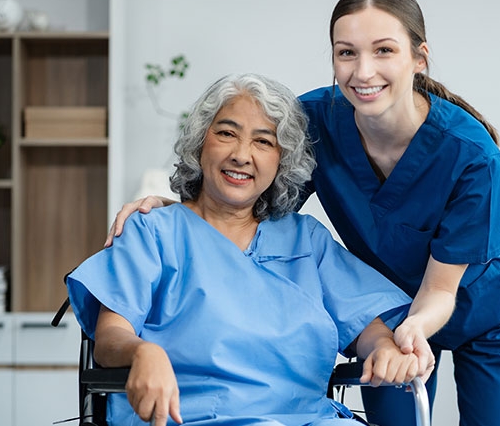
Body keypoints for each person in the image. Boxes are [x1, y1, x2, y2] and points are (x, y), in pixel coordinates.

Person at [107, 0, 500, 426]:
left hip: (487, 306)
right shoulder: (316, 120)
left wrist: (411, 328)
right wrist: (177, 211)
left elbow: (439, 290)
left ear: (419, 57)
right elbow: (249, 205)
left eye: (384, 51)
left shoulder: (470, 152)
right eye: (347, 52)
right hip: (386, 313)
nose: (363, 71)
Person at [68, 73, 433, 426]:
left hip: (307, 418)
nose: (242, 155)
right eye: (227, 133)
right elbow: (111, 336)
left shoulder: (305, 239)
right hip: (191, 416)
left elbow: (365, 324)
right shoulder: (152, 231)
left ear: (282, 161)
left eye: (263, 141)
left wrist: (384, 346)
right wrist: (143, 352)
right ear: (200, 143)